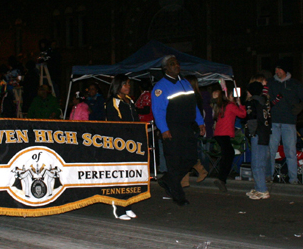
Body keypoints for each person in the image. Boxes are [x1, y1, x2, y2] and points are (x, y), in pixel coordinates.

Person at [151, 55, 205, 206]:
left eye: (177, 63)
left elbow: (193, 105)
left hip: (187, 127)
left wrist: (200, 122)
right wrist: (164, 129)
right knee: (175, 162)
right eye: (172, 64)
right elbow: (158, 110)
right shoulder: (160, 87)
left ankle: (168, 180)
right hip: (172, 128)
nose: (176, 66)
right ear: (166, 68)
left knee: (191, 159)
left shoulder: (185, 83)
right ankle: (178, 195)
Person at [267, 59, 303, 184]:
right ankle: (269, 175)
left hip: (289, 122)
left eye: (279, 69)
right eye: (276, 69)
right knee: (271, 149)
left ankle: (293, 178)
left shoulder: (295, 84)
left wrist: (300, 106)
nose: (277, 71)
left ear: (285, 70)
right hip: (274, 121)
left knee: (290, 150)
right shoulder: (271, 83)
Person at [105, 74, 139, 220]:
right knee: (120, 176)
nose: (128, 87)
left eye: (129, 84)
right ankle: (119, 209)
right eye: (125, 84)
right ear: (118, 85)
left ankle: (128, 205)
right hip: (120, 143)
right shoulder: (113, 101)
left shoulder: (130, 100)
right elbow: (115, 123)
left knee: (130, 176)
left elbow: (136, 120)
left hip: (132, 143)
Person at [211, 87, 246, 192]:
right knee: (228, 154)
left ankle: (221, 177)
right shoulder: (230, 106)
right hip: (224, 134)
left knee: (227, 154)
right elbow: (242, 114)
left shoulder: (221, 106)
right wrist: (240, 104)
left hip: (219, 134)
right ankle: (221, 178)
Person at [245, 81, 271, 200]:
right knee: (261, 161)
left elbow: (252, 119)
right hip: (265, 133)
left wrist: (251, 133)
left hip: (257, 134)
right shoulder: (265, 101)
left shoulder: (252, 102)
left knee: (257, 163)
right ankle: (258, 187)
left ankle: (262, 189)